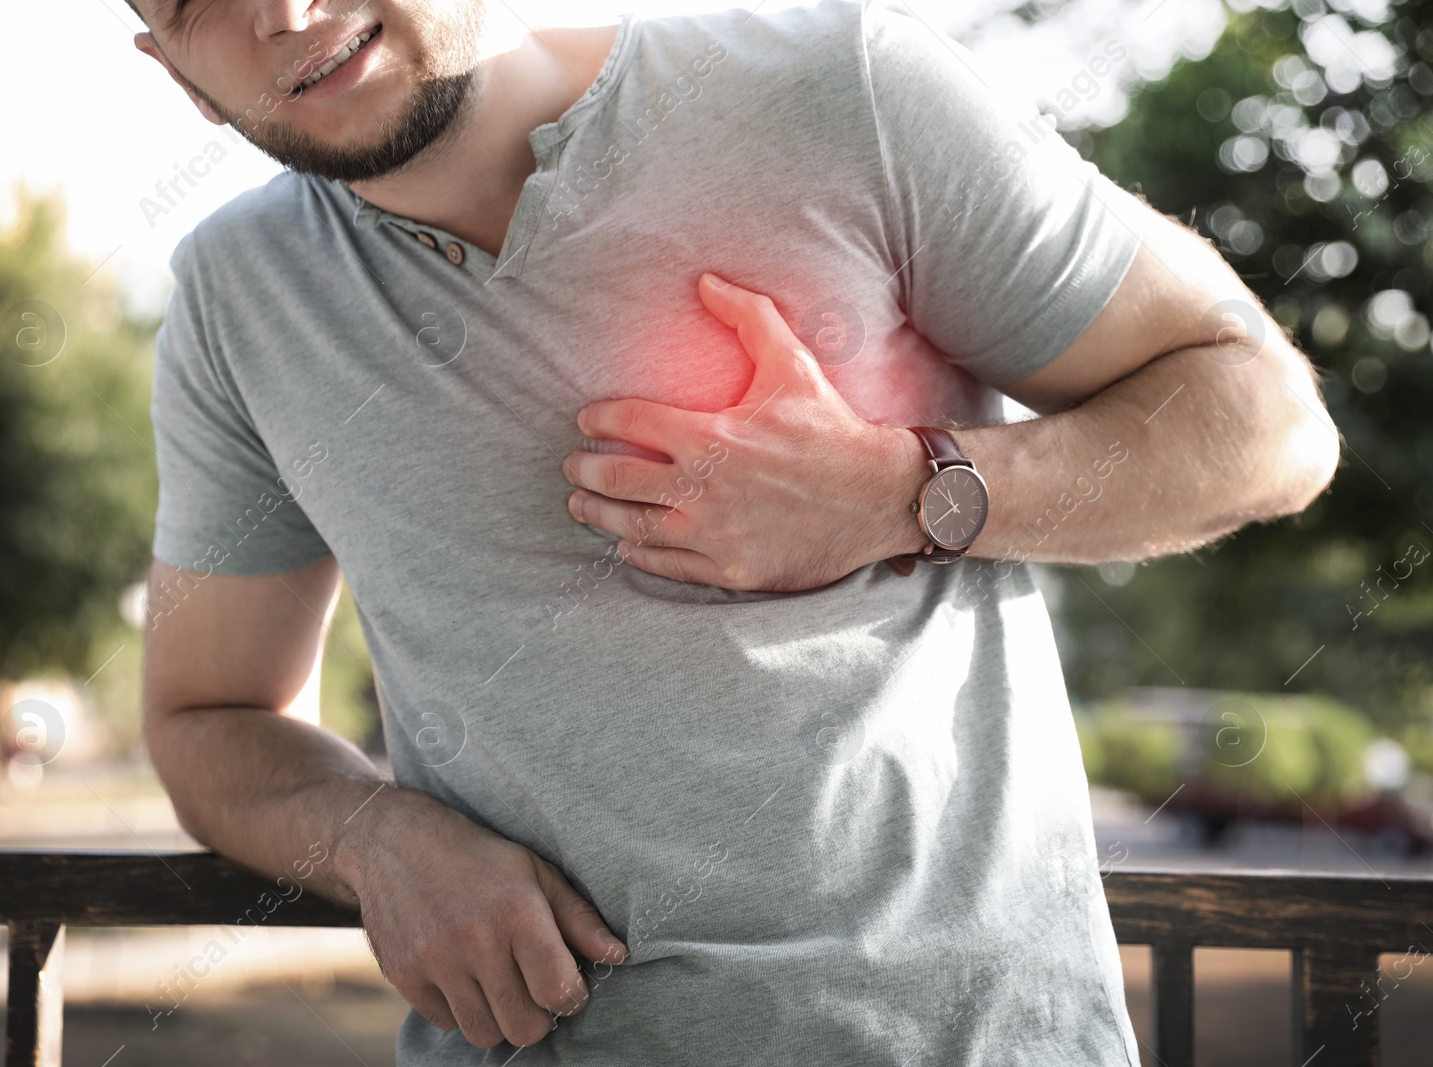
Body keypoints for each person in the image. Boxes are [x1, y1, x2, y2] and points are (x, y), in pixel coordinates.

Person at [126, 0, 1340, 1062]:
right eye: (197, 0)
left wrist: (904, 491)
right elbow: (207, 718)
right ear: (177, 77)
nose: (279, 13)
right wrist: (373, 834)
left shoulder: (843, 83)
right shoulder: (237, 300)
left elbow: (1269, 422)